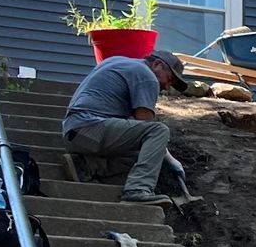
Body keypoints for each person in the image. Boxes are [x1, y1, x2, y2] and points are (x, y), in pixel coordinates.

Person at [60, 50, 188, 204]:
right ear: (157, 64)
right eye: (169, 79)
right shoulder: (147, 76)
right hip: (90, 127)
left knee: (145, 155)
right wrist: (170, 159)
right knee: (159, 131)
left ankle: (87, 166)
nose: (167, 87)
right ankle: (137, 190)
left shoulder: (116, 61)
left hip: (74, 133)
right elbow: (146, 124)